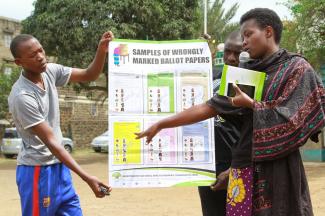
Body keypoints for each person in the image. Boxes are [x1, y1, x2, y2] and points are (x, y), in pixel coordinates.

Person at [136, 8, 325, 216]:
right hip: (242, 167)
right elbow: (209, 107)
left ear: (268, 32)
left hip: (281, 171)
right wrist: (161, 124)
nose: (244, 42)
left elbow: (295, 121)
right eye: (243, 36)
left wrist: (252, 105)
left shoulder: (298, 69)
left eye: (248, 34)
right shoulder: (245, 74)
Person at [8, 31, 114, 216]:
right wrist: (87, 177)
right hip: (37, 171)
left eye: (41, 50)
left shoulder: (50, 70)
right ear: (19, 62)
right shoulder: (22, 96)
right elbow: (52, 142)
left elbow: (89, 74)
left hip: (59, 168)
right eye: (33, 55)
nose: (41, 57)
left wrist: (101, 51)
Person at [198, 31, 242, 216]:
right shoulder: (211, 77)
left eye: (237, 53)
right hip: (207, 166)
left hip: (238, 167)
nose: (231, 58)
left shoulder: (252, 85)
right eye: (227, 52)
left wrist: (234, 169)